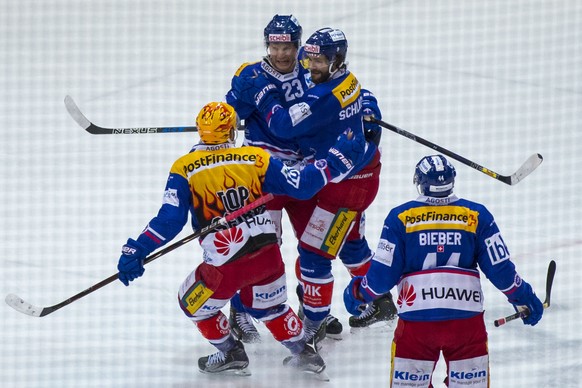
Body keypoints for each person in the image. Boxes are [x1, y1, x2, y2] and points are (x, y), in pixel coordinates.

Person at [116, 102, 365, 377]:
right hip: (268, 258)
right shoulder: (256, 158)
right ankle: (305, 354)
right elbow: (303, 185)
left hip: (227, 266)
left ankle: (230, 352)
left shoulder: (185, 168)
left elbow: (169, 221)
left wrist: (137, 248)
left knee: (191, 303)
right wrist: (335, 160)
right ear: (232, 131)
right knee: (272, 308)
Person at [225, 16, 395, 343]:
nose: (281, 53)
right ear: (267, 45)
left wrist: (370, 110)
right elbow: (230, 112)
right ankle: (240, 311)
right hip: (266, 174)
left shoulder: (312, 67)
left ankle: (313, 308)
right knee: (258, 247)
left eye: (287, 46)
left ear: (297, 44)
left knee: (314, 250)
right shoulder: (251, 75)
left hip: (307, 174)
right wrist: (231, 112)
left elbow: (353, 90)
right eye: (275, 46)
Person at [343, 154, 544, 387]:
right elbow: (501, 270)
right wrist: (524, 297)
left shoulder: (400, 218)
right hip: (466, 325)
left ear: (419, 181)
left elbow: (381, 277)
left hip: (418, 325)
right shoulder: (477, 215)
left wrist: (359, 293)